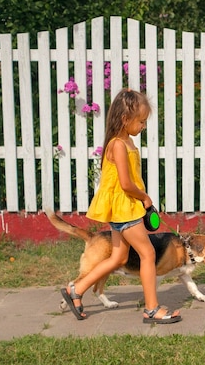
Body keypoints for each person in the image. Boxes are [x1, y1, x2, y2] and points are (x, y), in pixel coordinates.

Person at [60, 88, 181, 324]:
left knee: (118, 257)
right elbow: (126, 184)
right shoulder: (117, 144)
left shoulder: (125, 141)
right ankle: (152, 309)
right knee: (147, 253)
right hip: (125, 208)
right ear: (126, 119)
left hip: (124, 208)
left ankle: (76, 289)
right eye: (141, 121)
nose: (143, 126)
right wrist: (145, 197)